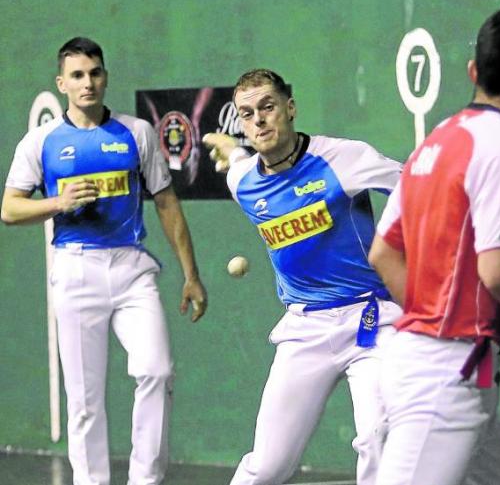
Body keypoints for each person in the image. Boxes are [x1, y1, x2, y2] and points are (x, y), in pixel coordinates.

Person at [368, 8, 500, 485]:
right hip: (446, 375)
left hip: (454, 363)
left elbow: (383, 253)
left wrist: (430, 314)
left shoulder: (434, 143)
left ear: (473, 72)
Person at [1, 37, 208, 485]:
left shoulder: (137, 132)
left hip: (133, 269)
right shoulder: (41, 142)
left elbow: (167, 202)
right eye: (77, 75)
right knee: (85, 400)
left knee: (156, 370)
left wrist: (191, 274)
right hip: (75, 270)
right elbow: (10, 208)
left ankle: (145, 480)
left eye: (95, 73)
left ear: (105, 76)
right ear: (62, 83)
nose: (88, 82)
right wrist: (56, 203)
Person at [202, 68, 403, 485]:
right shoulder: (245, 183)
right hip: (304, 328)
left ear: (290, 109)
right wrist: (230, 152)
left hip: (370, 320)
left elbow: (415, 188)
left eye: (268, 107)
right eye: (247, 114)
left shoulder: (343, 159)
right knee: (268, 466)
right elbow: (238, 167)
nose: (259, 120)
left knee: (379, 436)